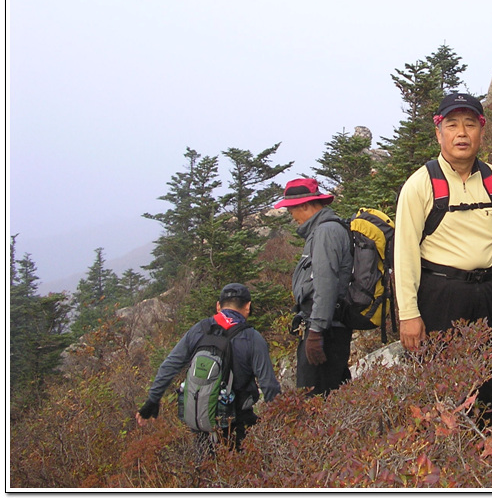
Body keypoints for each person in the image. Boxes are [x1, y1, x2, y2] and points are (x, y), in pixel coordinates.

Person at [394, 92, 492, 427]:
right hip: (439, 295)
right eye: (452, 125)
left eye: (470, 124)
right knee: (438, 384)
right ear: (439, 133)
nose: (461, 133)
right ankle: (441, 461)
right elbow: (405, 252)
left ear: (482, 130)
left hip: (486, 293)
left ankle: (478, 450)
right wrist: (408, 314)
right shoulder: (420, 185)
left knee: (485, 381)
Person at [135, 283, 281, 455]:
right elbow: (269, 385)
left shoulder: (199, 330)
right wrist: (281, 420)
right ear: (248, 306)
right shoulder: (252, 338)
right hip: (238, 423)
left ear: (218, 306)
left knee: (205, 471)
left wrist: (152, 401)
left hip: (201, 421)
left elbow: (169, 366)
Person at [275, 178, 354, 397]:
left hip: (325, 332)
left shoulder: (325, 232)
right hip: (329, 327)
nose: (292, 216)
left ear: (305, 205)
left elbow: (325, 283)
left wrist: (316, 332)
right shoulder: (325, 230)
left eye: (292, 210)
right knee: (331, 395)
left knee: (316, 401)